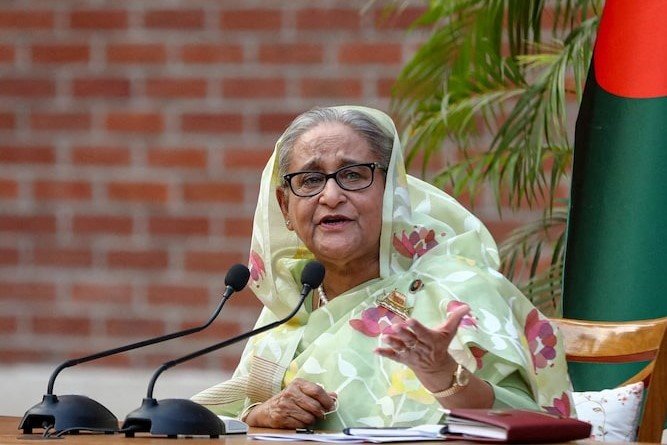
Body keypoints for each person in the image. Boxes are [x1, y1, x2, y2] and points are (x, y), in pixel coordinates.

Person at [192, 106, 573, 430]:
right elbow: (232, 416)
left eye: (353, 175)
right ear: (285, 206)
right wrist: (264, 413)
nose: (331, 195)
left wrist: (447, 378)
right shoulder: (290, 311)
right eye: (309, 180)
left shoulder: (458, 291)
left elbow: (533, 422)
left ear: (391, 192)